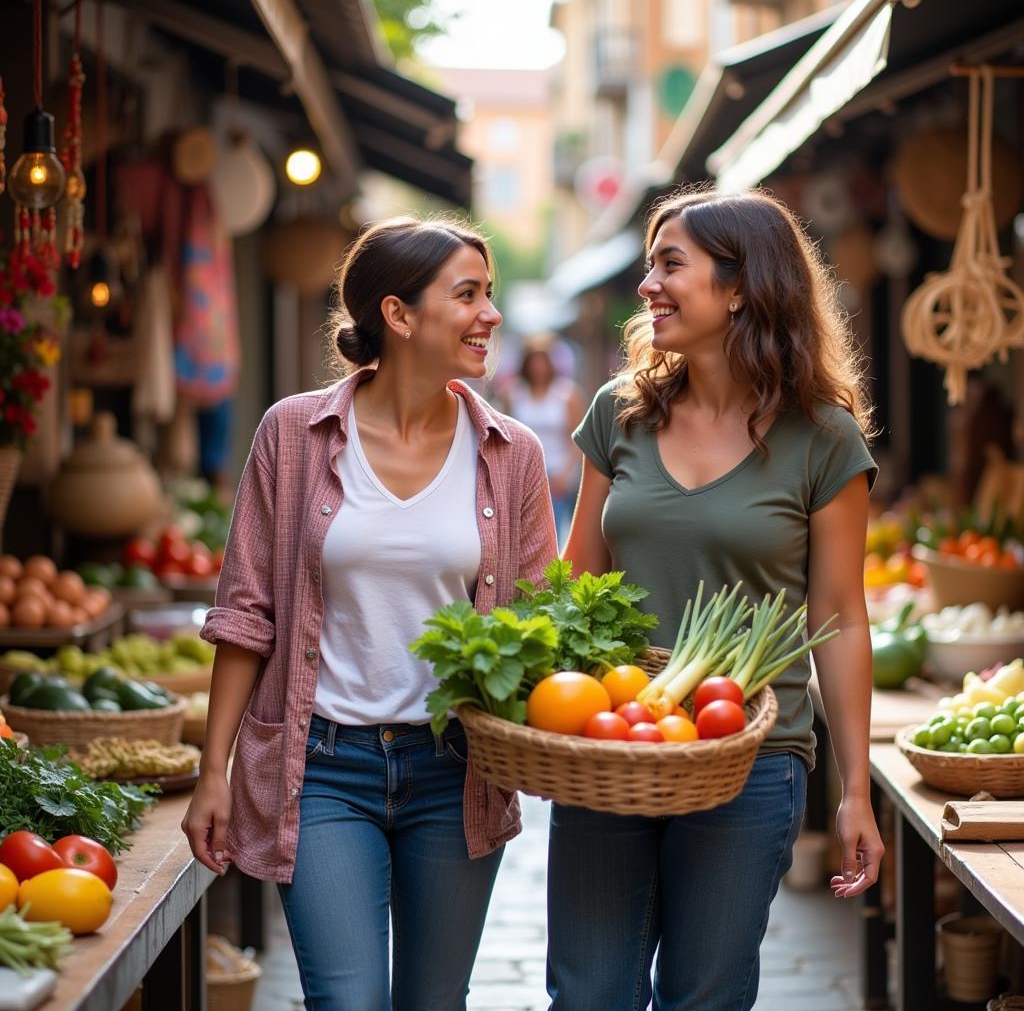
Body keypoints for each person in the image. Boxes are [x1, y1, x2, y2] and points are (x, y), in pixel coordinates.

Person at [181, 215, 558, 1011]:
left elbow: (536, 624)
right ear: (399, 313)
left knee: (434, 1002)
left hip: (454, 770)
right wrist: (211, 771)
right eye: (468, 294)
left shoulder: (511, 455)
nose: (491, 313)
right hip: (319, 769)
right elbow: (246, 613)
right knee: (347, 1002)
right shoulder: (294, 434)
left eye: (489, 293)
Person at [546, 187, 884, 1011]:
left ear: (740, 285)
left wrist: (856, 791)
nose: (647, 285)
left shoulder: (824, 437)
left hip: (751, 758)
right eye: (649, 265)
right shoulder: (619, 414)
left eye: (671, 265)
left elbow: (837, 618)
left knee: (705, 995)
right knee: (589, 995)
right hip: (613, 741)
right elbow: (575, 582)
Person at [501, 336, 585, 542]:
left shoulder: (566, 393)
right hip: (524, 471)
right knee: (524, 534)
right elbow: (506, 435)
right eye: (533, 361)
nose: (538, 367)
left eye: (542, 361)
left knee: (553, 533)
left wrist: (565, 474)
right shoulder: (514, 393)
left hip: (557, 473)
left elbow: (577, 437)